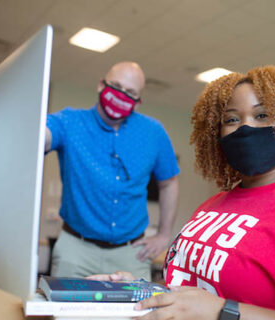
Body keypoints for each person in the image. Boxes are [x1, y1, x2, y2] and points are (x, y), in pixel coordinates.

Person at [90, 66, 275, 320]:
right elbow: (193, 291)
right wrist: (139, 291)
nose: (245, 127)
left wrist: (224, 311)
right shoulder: (213, 205)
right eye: (231, 119)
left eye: (263, 115)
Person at [45, 61, 180, 280]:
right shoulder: (70, 122)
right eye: (116, 86)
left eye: (130, 92)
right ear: (101, 85)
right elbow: (42, 134)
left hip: (131, 254)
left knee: (136, 314)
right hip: (75, 250)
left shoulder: (153, 132)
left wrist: (164, 234)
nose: (120, 95)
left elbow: (169, 182)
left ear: (137, 103)